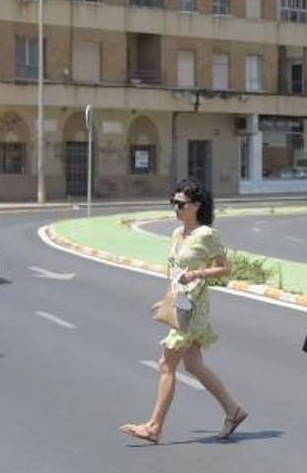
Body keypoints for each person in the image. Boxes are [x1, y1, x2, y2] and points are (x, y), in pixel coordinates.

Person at [120, 180, 248, 444]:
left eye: (181, 204)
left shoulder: (206, 235)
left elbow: (225, 268)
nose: (176, 208)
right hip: (180, 303)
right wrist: (167, 300)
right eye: (173, 203)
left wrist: (197, 273)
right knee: (193, 364)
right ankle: (233, 410)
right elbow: (175, 274)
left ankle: (154, 427)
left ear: (196, 206)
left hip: (194, 306)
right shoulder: (177, 234)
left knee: (166, 364)